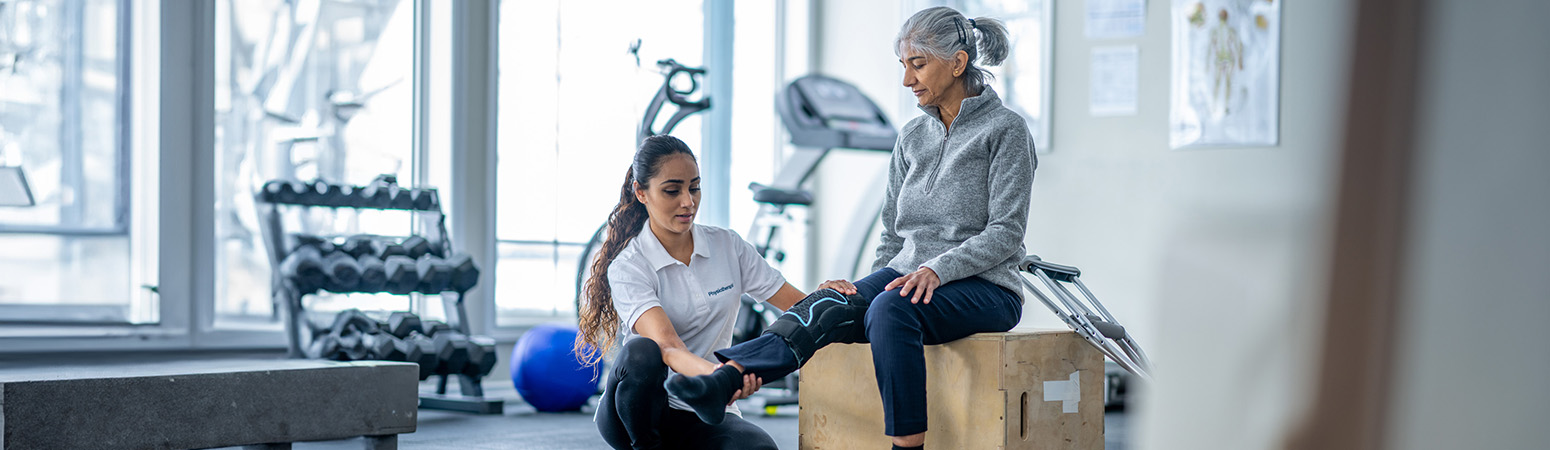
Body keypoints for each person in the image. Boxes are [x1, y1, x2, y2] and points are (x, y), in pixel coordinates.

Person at [665, 7, 1036, 450]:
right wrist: (864, 288)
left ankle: (906, 447)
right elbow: (893, 235)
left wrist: (936, 270)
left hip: (987, 286)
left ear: (957, 63)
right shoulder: (912, 136)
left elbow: (1005, 232)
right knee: (832, 301)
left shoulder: (1006, 130)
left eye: (918, 65)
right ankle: (724, 381)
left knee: (891, 308)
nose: (907, 80)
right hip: (912, 276)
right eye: (903, 66)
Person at [577, 135, 810, 450]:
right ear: (641, 193)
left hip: (706, 409)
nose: (688, 202)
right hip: (638, 410)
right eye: (672, 191)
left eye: (694, 187)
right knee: (642, 353)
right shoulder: (629, 266)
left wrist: (828, 301)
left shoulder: (728, 246)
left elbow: (798, 309)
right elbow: (668, 347)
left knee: (760, 449)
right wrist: (723, 375)